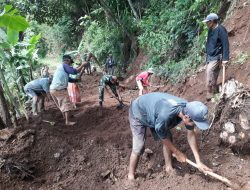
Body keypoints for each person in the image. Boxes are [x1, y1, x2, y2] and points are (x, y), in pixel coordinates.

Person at [128, 92, 212, 180]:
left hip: (154, 110)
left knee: (168, 137)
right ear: (186, 117)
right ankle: (131, 176)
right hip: (138, 111)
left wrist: (198, 161)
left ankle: (168, 168)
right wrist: (177, 152)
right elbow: (162, 136)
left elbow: (191, 135)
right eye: (194, 123)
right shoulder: (166, 115)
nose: (194, 125)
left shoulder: (188, 109)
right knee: (139, 146)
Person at [50, 55, 86, 126]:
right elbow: (73, 71)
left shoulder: (61, 69)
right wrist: (82, 65)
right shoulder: (64, 65)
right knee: (66, 103)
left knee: (62, 104)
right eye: (70, 62)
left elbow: (71, 79)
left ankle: (66, 117)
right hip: (59, 89)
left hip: (53, 89)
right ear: (67, 60)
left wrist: (77, 79)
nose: (71, 64)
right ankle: (67, 121)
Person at [202, 13, 229, 100]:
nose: (206, 23)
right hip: (210, 55)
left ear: (212, 21)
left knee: (209, 71)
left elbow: (225, 44)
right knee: (213, 73)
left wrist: (225, 58)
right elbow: (209, 42)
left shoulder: (221, 30)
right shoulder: (210, 29)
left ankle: (209, 92)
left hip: (217, 55)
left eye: (208, 22)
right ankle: (215, 90)